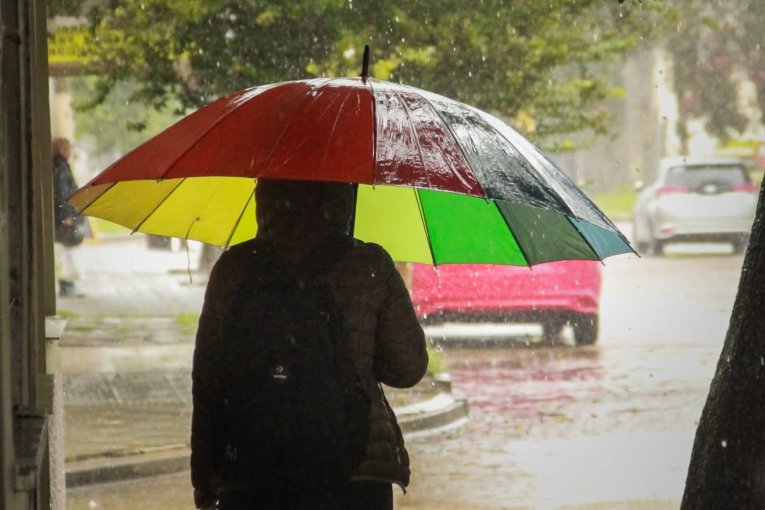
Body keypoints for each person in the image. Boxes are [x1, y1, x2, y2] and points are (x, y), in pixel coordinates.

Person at [191, 179, 428, 510]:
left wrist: (204, 478)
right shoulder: (369, 266)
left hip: (252, 466)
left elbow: (209, 382)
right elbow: (409, 368)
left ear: (265, 193)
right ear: (343, 194)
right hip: (354, 471)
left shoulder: (235, 269)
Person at [52, 137, 84, 297]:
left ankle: (67, 283)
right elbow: (62, 192)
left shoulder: (59, 166)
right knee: (65, 250)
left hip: (62, 215)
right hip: (64, 216)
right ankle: (67, 284)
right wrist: (66, 214)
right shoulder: (61, 168)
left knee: (64, 250)